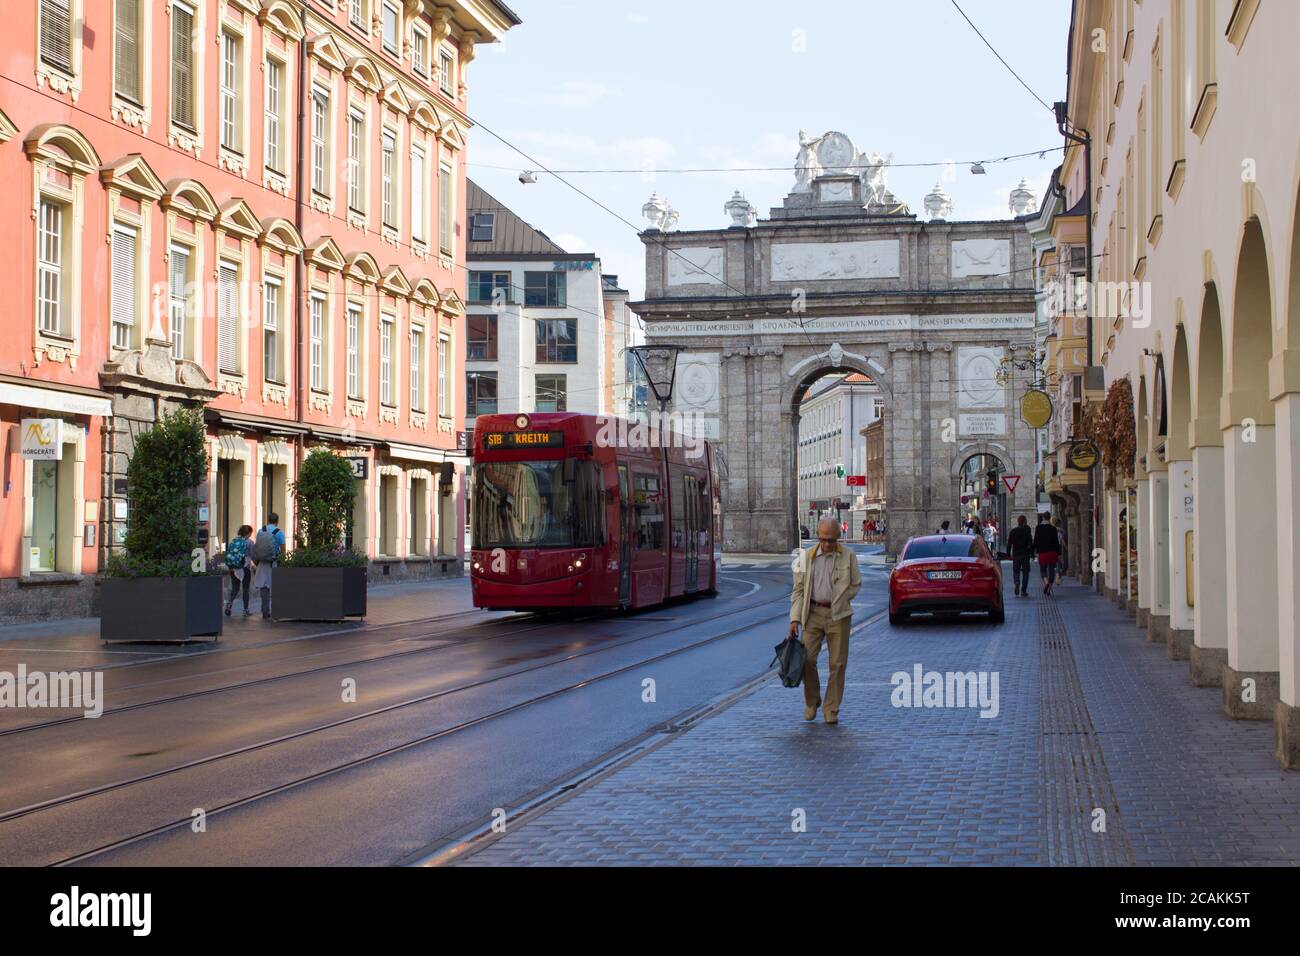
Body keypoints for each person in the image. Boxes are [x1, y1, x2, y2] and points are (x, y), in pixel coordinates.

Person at [789, 517, 861, 725]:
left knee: (837, 664)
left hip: (838, 615)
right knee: (807, 660)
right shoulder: (805, 557)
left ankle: (831, 708)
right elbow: (798, 590)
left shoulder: (848, 556)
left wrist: (842, 599)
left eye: (831, 540)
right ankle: (812, 701)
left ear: (838, 538)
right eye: (823, 539)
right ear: (818, 537)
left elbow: (855, 584)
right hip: (812, 613)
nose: (827, 544)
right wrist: (795, 619)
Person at [251, 513, 286, 619]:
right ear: (277, 521)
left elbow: (257, 546)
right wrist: (283, 562)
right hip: (273, 562)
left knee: (264, 587)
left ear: (268, 520)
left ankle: (265, 610)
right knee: (275, 586)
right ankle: (276, 610)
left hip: (261, 563)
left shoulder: (261, 531)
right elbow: (283, 550)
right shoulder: (279, 532)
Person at [223, 525, 254, 616]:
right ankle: (245, 610)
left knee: (235, 588)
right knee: (245, 589)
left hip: (234, 567)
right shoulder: (249, 542)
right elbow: (253, 555)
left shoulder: (234, 541)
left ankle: (229, 606)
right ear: (248, 533)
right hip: (245, 567)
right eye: (250, 533)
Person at [1034, 511, 1062, 595]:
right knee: (1051, 570)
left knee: (1043, 570)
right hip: (1052, 553)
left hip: (1042, 553)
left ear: (1043, 517)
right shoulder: (1053, 528)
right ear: (1049, 518)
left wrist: (1035, 551)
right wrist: (1059, 553)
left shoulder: (1038, 528)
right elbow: (1056, 542)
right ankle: (1049, 588)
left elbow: (1036, 541)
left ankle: (1046, 583)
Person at [1007, 515, 1035, 597]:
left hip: (1016, 555)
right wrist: (1032, 554)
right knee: (1026, 572)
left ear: (1018, 521)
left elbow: (1009, 544)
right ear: (1025, 522)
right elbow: (1030, 544)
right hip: (1025, 554)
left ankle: (1017, 582)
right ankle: (1023, 590)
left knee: (1016, 571)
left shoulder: (1013, 531)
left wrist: (1008, 554)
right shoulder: (1027, 531)